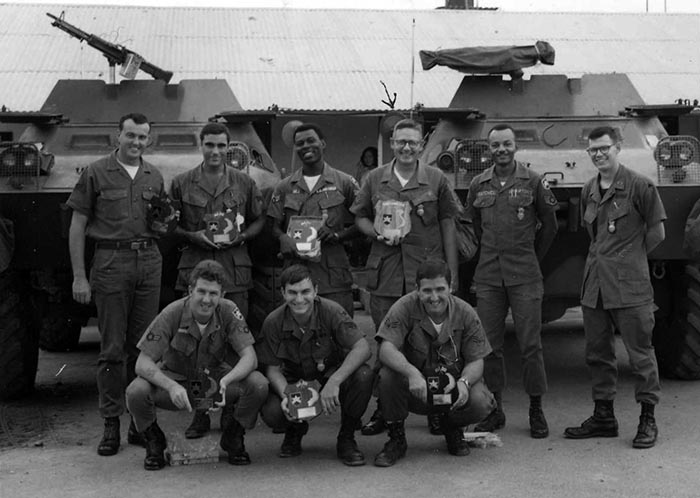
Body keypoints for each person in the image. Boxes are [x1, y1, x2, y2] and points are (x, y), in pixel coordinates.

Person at [351, 118, 460, 436]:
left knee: (435, 345)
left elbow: (448, 224)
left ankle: (437, 409)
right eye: (401, 142)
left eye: (413, 142)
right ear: (392, 143)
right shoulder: (375, 178)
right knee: (387, 343)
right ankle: (385, 411)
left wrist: (451, 275)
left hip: (425, 275)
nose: (407, 147)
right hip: (385, 274)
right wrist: (377, 233)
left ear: (421, 145)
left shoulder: (436, 178)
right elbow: (359, 216)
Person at [68, 112, 165, 456]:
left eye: (142, 137)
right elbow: (78, 226)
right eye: (130, 136)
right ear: (118, 137)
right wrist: (80, 276)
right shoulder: (95, 172)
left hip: (149, 261)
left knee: (143, 349)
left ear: (148, 140)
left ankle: (140, 423)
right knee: (111, 349)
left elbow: (159, 222)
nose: (136, 142)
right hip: (111, 262)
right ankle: (111, 422)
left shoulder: (154, 174)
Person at [564, 126, 665, 449]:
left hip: (630, 286)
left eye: (604, 148)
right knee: (598, 354)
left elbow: (657, 232)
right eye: (593, 150)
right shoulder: (590, 188)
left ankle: (647, 419)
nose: (598, 154)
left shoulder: (640, 186)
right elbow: (593, 234)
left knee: (640, 355)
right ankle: (604, 416)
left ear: (618, 148)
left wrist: (630, 259)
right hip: (595, 285)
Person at [170, 122, 265, 439]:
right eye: (209, 145)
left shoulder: (244, 182)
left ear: (229, 148)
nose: (215, 151)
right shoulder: (182, 184)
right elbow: (172, 226)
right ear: (201, 145)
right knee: (197, 346)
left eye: (221, 146)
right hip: (196, 266)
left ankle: (229, 414)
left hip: (234, 268)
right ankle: (200, 413)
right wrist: (192, 235)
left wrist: (241, 237)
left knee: (234, 343)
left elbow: (259, 219)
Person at [125, 260, 268, 470]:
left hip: (215, 384)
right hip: (178, 382)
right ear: (191, 290)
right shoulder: (171, 313)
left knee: (258, 384)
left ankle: (233, 437)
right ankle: (154, 441)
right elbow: (142, 363)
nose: (207, 299)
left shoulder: (229, 311)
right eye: (201, 291)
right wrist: (170, 386)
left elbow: (250, 358)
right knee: (135, 391)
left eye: (213, 293)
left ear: (223, 295)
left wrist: (228, 380)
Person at [465, 123, 558, 439]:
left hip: (525, 275)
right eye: (495, 145)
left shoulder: (533, 181)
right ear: (488, 149)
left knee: (531, 346)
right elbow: (475, 225)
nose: (501, 150)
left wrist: (531, 256)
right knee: (489, 347)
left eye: (506, 144)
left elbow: (550, 225)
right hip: (489, 276)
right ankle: (495, 410)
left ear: (515, 146)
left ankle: (536, 409)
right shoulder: (479, 184)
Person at [372, 259, 495, 467]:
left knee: (482, 402)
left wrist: (464, 382)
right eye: (427, 291)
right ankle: (396, 439)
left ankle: (451, 427)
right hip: (417, 390)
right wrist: (411, 373)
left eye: (440, 289)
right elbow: (386, 349)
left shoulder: (466, 313)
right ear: (417, 289)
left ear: (451, 287)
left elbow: (476, 360)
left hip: (451, 389)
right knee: (387, 377)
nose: (434, 297)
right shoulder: (403, 307)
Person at [256, 264, 374, 466]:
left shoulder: (331, 311)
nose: (299, 299)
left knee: (363, 376)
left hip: (329, 370)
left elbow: (362, 348)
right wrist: (288, 397)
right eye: (292, 292)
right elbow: (273, 370)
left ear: (315, 291)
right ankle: (295, 430)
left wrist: (335, 381)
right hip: (294, 377)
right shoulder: (273, 322)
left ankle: (346, 437)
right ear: (283, 293)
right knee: (273, 411)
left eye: (305, 291)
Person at [268, 122, 359, 316]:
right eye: (300, 143)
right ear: (295, 148)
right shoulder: (284, 187)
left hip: (332, 273)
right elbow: (273, 226)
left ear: (323, 143)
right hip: (296, 274)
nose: (306, 146)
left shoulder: (344, 182)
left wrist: (338, 235)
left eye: (311, 140)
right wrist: (283, 238)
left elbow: (363, 222)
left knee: (339, 328)